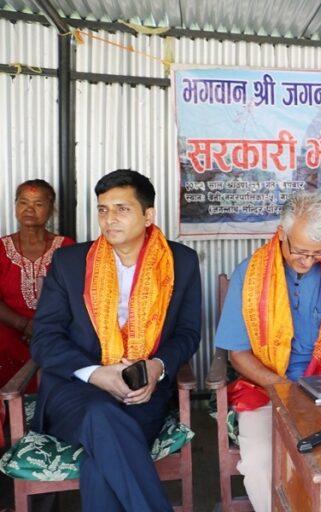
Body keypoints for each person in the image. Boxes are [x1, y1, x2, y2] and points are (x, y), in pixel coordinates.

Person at [29, 169, 201, 511]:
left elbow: (188, 332)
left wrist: (156, 366)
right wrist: (96, 373)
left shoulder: (179, 262)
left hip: (142, 390)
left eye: (122, 209)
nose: (110, 219)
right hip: (74, 390)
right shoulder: (70, 262)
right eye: (103, 209)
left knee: (99, 468)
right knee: (101, 413)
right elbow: (45, 338)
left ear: (148, 216)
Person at [215, 191, 321, 512]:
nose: (307, 261)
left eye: (317, 253)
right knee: (260, 463)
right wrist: (284, 389)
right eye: (300, 252)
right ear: (282, 233)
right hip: (266, 390)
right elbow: (237, 354)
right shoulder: (250, 274)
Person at [0, 180, 74, 445]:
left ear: (51, 209)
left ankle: (51, 434)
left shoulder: (67, 248)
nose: (29, 209)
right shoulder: (1, 249)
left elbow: (76, 297)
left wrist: (44, 328)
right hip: (9, 332)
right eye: (23, 202)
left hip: (56, 332)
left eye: (38, 203)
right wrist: (24, 325)